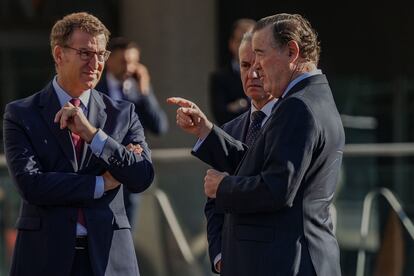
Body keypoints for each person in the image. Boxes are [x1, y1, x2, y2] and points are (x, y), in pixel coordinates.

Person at [172, 13, 344, 276]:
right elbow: (260, 163)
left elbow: (277, 188)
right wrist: (207, 131)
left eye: (261, 54)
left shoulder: (297, 105)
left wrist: (223, 186)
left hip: (287, 261)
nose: (257, 69)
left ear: (292, 52)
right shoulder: (315, 96)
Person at [3, 12, 154, 276]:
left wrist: (94, 136)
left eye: (101, 54)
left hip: (110, 258)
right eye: (85, 53)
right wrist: (101, 183)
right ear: (59, 55)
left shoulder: (122, 113)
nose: (95, 63)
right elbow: (31, 185)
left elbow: (141, 176)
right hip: (44, 258)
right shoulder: (21, 114)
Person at [168, 31, 276, 274]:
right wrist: (219, 256)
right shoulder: (230, 129)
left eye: (259, 65)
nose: (253, 74)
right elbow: (214, 203)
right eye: (245, 65)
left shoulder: (287, 124)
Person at [96, 37, 168, 225]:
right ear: (108, 61)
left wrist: (144, 91)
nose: (129, 67)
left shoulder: (139, 90)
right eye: (123, 61)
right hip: (98, 175)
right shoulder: (95, 88)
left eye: (133, 62)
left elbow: (159, 126)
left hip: (128, 178)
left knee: (125, 236)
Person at [209, 18, 255, 125]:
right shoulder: (219, 77)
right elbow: (221, 115)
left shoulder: (267, 73)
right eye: (241, 40)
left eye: (251, 41)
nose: (246, 46)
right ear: (231, 43)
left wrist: (238, 105)